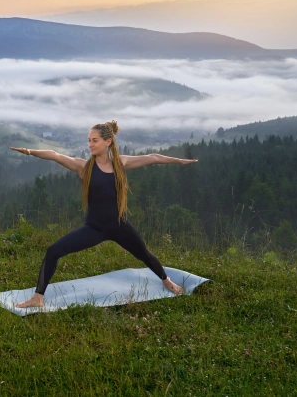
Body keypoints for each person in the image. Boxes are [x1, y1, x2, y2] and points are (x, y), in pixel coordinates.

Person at [10, 121, 196, 308]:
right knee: (53, 251)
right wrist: (28, 151)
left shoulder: (121, 163)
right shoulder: (84, 167)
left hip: (119, 226)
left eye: (95, 140)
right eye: (89, 140)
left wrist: (179, 161)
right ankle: (37, 298)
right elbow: (55, 155)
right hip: (94, 228)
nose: (90, 144)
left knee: (145, 255)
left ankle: (166, 280)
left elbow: (154, 157)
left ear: (108, 142)